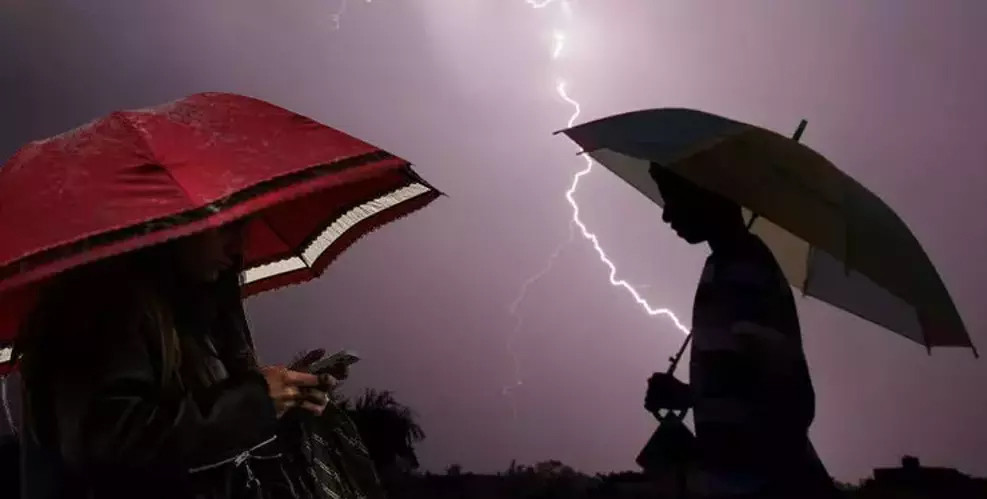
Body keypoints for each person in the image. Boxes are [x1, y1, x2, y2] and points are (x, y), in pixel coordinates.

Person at [15, 223, 336, 499]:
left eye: (243, 226)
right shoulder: (100, 308)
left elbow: (198, 436)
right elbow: (112, 443)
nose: (239, 245)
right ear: (174, 224)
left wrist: (285, 399)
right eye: (225, 227)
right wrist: (253, 402)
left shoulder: (193, 311)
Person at [643, 164, 839, 498]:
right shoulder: (721, 266)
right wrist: (687, 395)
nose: (666, 215)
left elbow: (781, 395)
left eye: (673, 198)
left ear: (706, 194)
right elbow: (741, 383)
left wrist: (694, 397)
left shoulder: (746, 269)